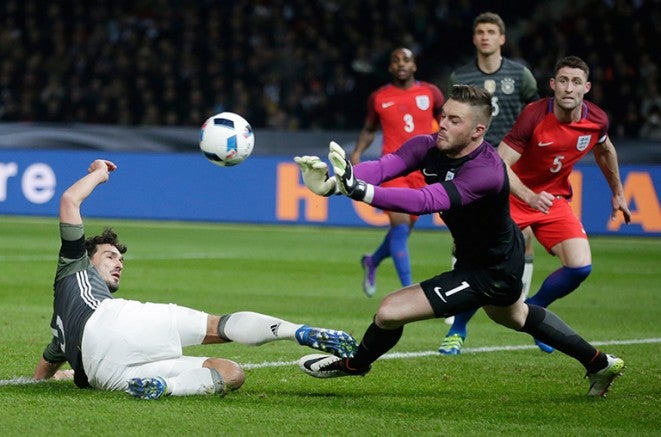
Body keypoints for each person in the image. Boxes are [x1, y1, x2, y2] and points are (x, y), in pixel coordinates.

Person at [294, 84, 625, 397]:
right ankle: (600, 363)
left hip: (491, 269)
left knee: (389, 311)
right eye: (444, 116)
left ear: (477, 131)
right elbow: (383, 167)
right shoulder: (428, 146)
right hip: (483, 257)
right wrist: (333, 184)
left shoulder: (487, 171)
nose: (443, 125)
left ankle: (354, 365)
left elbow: (426, 201)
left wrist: (360, 191)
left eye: (454, 120)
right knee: (515, 316)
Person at [33, 159, 358, 400]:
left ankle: (167, 387)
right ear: (86, 260)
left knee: (231, 373)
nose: (119, 264)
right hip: (110, 324)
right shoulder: (73, 266)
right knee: (218, 327)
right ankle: (297, 331)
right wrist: (98, 175)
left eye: (121, 259)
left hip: (107, 374)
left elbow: (45, 366)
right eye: (110, 256)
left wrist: (48, 380)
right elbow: (69, 201)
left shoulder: (60, 330)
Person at [495, 55, 631, 353]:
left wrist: (618, 192)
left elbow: (605, 150)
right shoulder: (533, 115)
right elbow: (500, 163)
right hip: (514, 198)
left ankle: (535, 310)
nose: (569, 88)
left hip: (553, 200)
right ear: (553, 85)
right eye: (564, 81)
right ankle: (458, 328)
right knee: (488, 266)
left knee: (580, 267)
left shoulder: (597, 120)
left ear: (587, 87)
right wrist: (528, 195)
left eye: (577, 82)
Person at [439, 11, 540, 354]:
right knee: (466, 242)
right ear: (474, 38)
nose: (485, 37)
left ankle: (521, 309)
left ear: (502, 38)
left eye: (491, 32)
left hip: (510, 168)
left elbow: (534, 115)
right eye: (479, 31)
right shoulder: (461, 76)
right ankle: (458, 324)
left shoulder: (520, 75)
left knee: (523, 236)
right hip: (471, 167)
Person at [348, 47, 444, 298]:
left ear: (414, 66)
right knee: (400, 227)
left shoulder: (431, 93)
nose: (401, 64)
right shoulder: (379, 97)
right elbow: (369, 129)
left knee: (401, 231)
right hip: (394, 169)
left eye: (406, 60)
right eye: (396, 61)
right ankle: (409, 292)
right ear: (390, 67)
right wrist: (357, 153)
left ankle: (372, 261)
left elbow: (447, 123)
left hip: (424, 170)